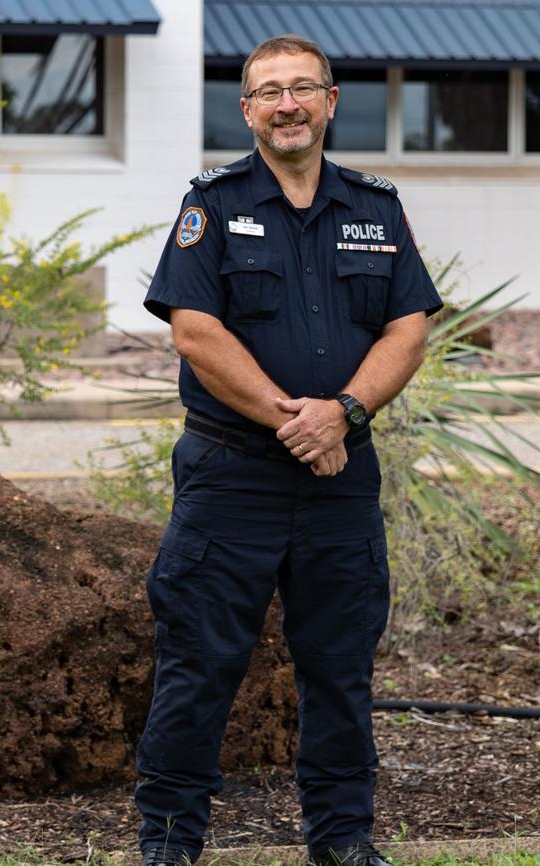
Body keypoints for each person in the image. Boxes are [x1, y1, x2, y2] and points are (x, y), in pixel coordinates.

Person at [135, 34, 443, 866]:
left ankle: (342, 839)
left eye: (303, 88)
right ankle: (168, 840)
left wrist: (341, 412)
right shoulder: (211, 203)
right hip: (230, 478)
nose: (287, 105)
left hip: (341, 480)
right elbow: (195, 334)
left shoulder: (376, 209)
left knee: (339, 668)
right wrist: (297, 424)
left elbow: (408, 327)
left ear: (332, 101)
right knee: (199, 665)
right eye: (269, 92)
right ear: (247, 111)